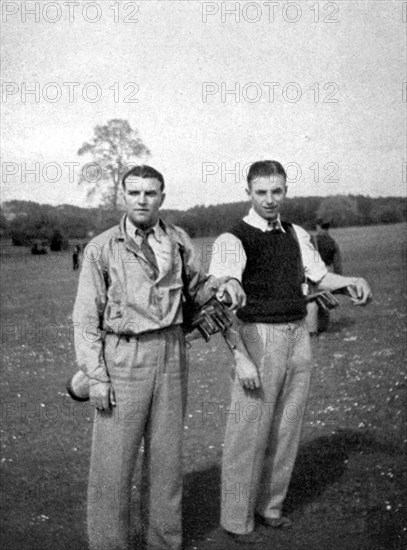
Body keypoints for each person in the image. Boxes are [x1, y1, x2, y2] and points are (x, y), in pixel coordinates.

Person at [72, 165, 245, 550]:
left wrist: (224, 285)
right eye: (134, 193)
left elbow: (197, 289)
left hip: (171, 351)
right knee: (113, 465)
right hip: (123, 356)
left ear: (162, 197)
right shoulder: (102, 247)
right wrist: (97, 377)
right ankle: (108, 544)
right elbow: (85, 318)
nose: (142, 200)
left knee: (166, 461)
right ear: (124, 196)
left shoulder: (179, 240)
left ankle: (163, 542)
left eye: (150, 193)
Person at [208, 160, 371, 545]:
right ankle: (235, 519)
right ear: (248, 192)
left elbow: (319, 277)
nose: (269, 199)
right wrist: (240, 355)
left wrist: (351, 280)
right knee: (249, 432)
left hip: (298, 335)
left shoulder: (297, 233)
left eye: (276, 191)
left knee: (286, 427)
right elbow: (224, 288)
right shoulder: (232, 238)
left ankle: (271, 508)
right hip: (258, 337)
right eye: (261, 192)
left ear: (285, 191)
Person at [306, 218, 343, 333]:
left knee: (312, 300)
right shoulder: (333, 242)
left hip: (312, 272)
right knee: (324, 299)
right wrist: (337, 279)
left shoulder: (311, 240)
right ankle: (323, 327)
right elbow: (337, 264)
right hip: (326, 271)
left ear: (318, 226)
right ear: (328, 227)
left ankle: (311, 330)